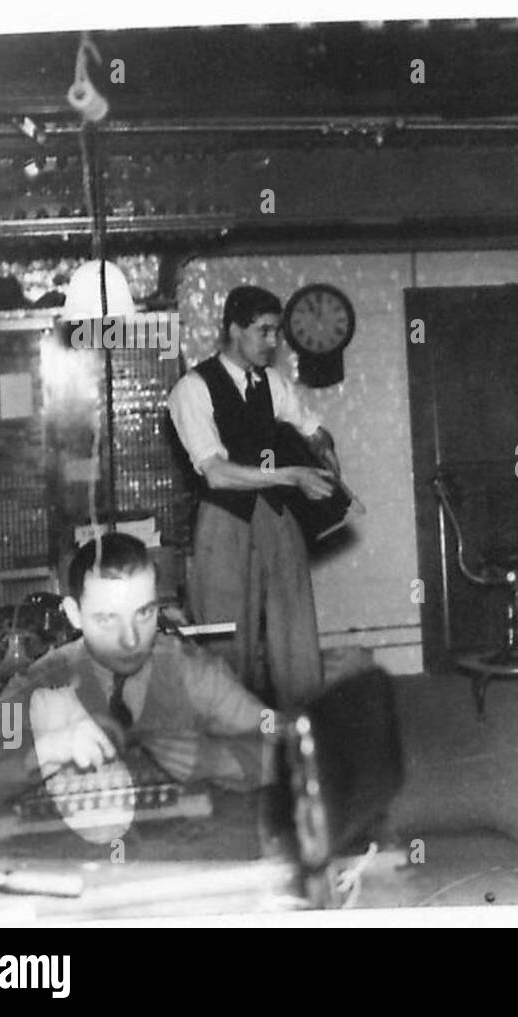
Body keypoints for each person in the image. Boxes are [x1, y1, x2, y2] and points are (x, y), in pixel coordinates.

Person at [0, 534, 279, 825]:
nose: (131, 640)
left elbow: (291, 748)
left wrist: (217, 760)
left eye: (144, 613)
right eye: (107, 619)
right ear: (75, 615)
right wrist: (43, 752)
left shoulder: (190, 670)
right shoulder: (42, 681)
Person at [169, 285, 338, 711]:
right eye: (263, 331)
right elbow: (218, 474)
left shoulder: (272, 383)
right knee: (227, 640)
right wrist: (292, 474)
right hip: (224, 519)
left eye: (276, 332)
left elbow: (311, 427)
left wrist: (323, 448)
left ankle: (305, 736)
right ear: (233, 330)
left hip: (275, 515)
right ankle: (230, 743)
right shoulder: (193, 388)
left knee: (297, 633)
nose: (273, 342)